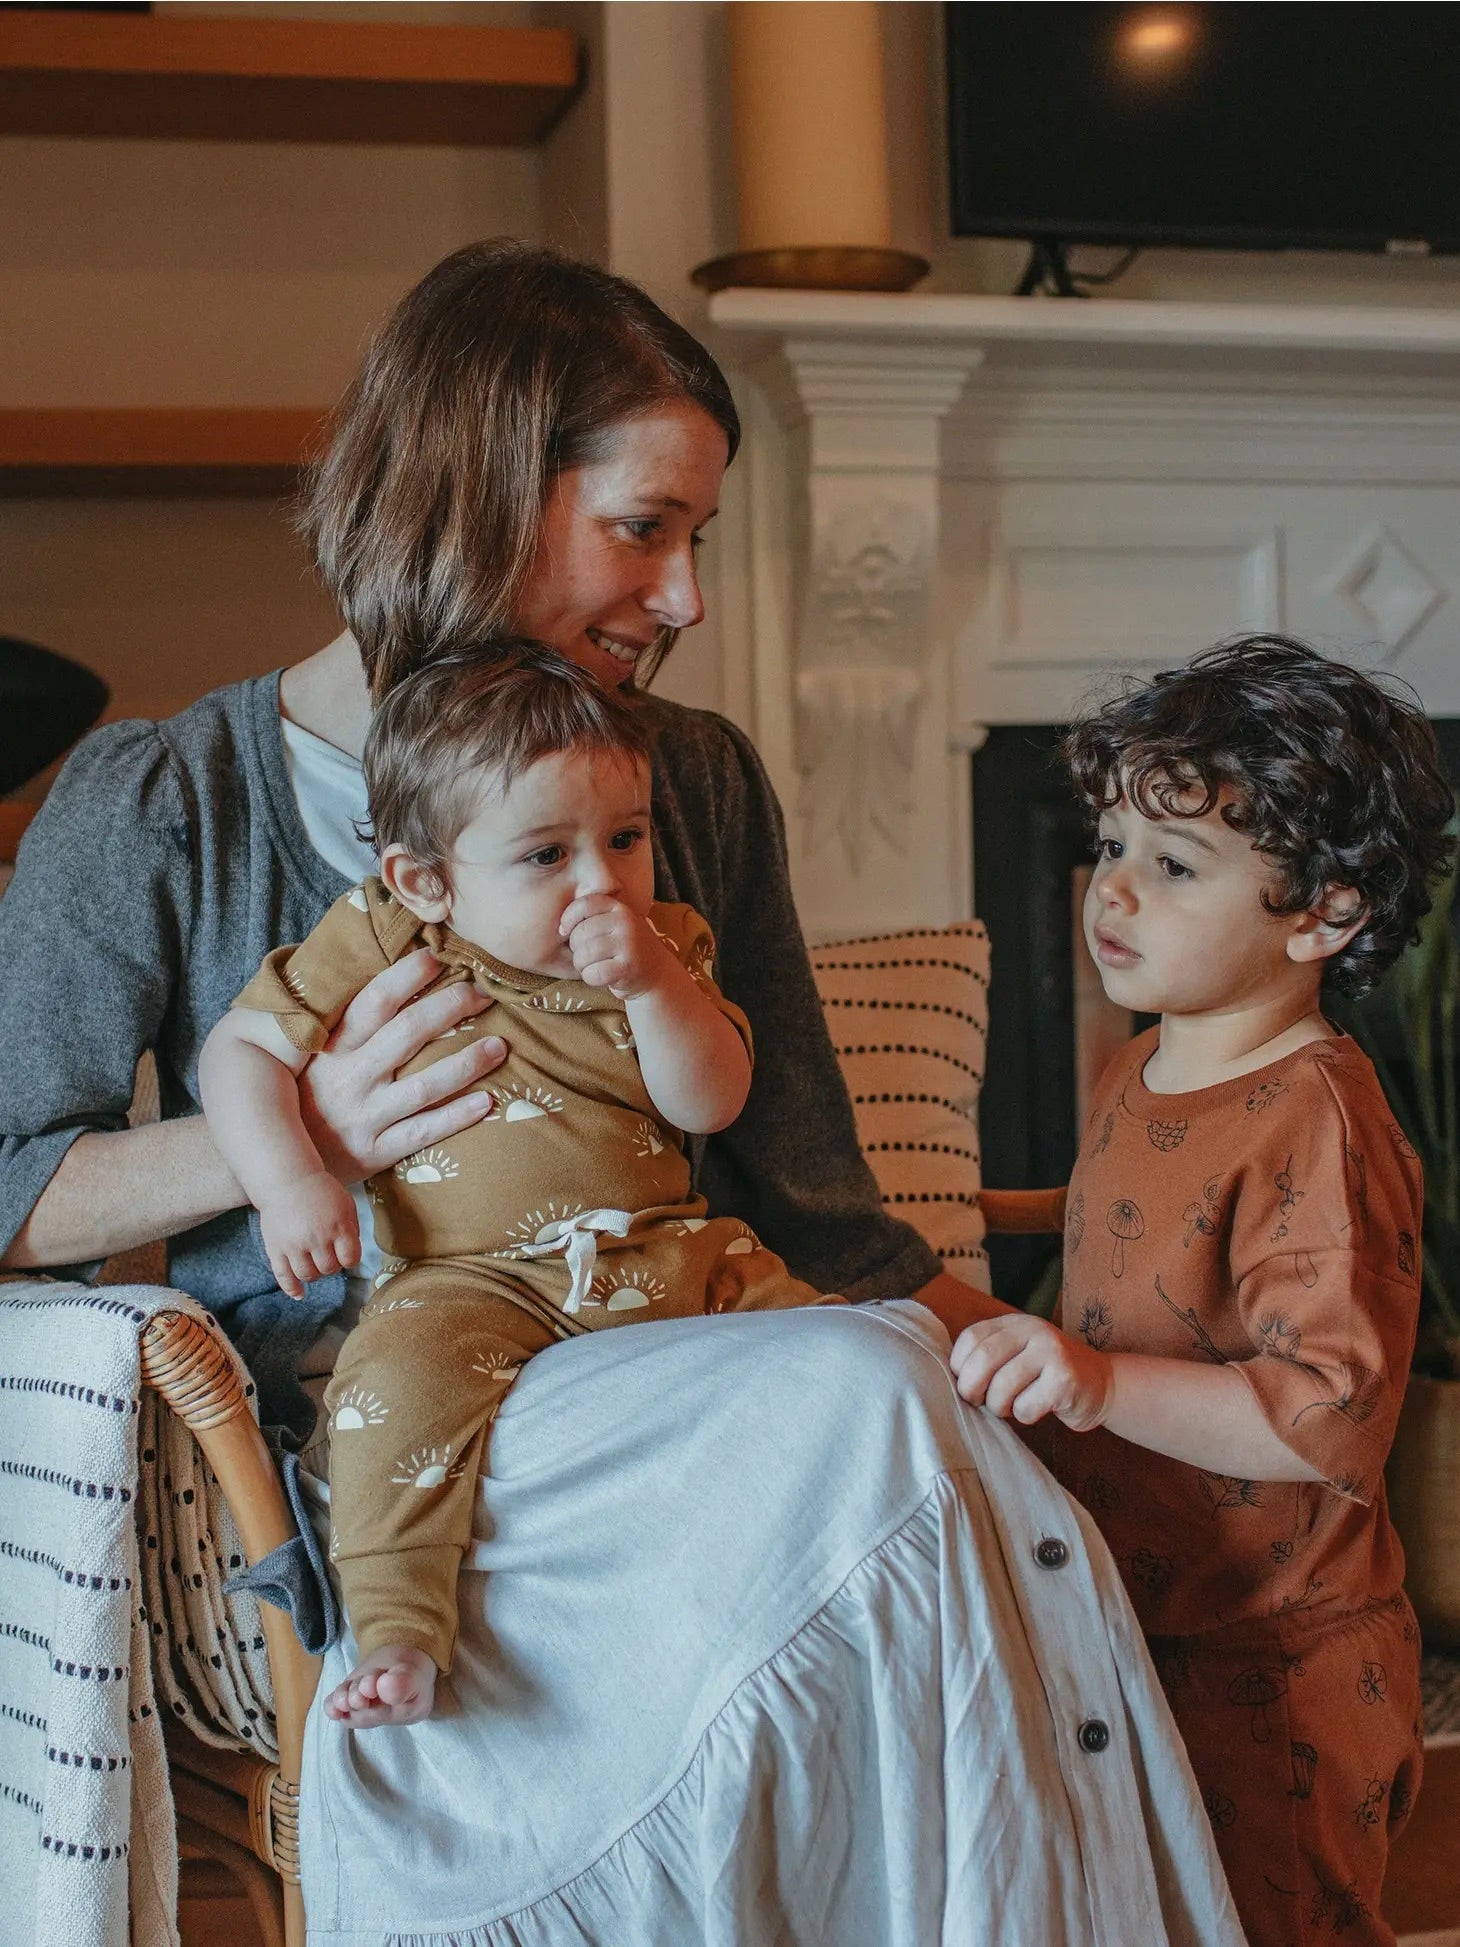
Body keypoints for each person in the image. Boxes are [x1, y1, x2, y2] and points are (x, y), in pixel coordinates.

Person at [0, 240, 1245, 1944]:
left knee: (917, 1407)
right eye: (644, 528)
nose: (686, 599)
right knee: (870, 1406)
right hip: (399, 1410)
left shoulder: (690, 783)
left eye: (695, 540)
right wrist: (286, 1140)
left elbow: (818, 1209)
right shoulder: (160, 801)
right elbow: (9, 1183)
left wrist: (1101, 1405)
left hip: (707, 1353)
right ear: (471, 498)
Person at [200, 643, 836, 1728]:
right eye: (546, 855)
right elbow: (240, 1054)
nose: (601, 882)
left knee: (850, 1358)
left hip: (660, 1252)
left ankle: (833, 1608)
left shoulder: (665, 943)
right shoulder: (386, 929)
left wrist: (650, 984)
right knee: (384, 1396)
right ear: (426, 877)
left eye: (623, 840)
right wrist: (290, 1183)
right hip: (465, 1281)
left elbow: (711, 1101)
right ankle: (399, 1633)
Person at [951, 635, 1452, 1947]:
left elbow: (1325, 1412)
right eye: (1110, 844)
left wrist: (1099, 1380)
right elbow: (1138, 1229)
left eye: (1172, 866)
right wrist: (954, 1227)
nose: (1112, 891)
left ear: (1323, 913)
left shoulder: (1316, 1122)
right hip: (1147, 1613)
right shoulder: (1144, 1058)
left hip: (1277, 1659)